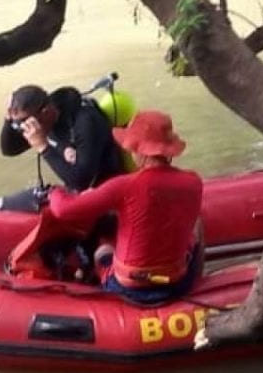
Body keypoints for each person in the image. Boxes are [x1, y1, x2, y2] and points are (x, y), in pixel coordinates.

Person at [43, 110, 204, 304]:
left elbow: (64, 210)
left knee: (102, 252)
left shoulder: (125, 185)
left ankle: (99, 293)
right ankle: (198, 280)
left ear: (138, 150)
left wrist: (54, 192)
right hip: (178, 283)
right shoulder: (194, 182)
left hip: (131, 288)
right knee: (197, 226)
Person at [0, 83, 125, 210]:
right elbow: (9, 149)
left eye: (26, 122)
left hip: (104, 194)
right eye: (18, 124)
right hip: (74, 191)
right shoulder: (42, 120)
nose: (24, 128)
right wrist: (8, 119)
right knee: (2, 205)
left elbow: (81, 181)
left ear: (45, 113)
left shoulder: (85, 122)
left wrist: (43, 147)